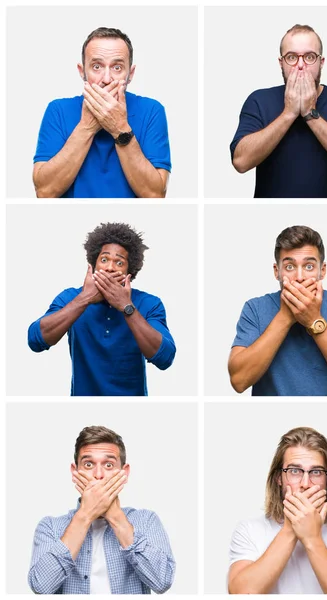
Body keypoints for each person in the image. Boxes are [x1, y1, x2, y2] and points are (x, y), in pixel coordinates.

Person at [28, 222, 176, 395]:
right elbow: (35, 340)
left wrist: (126, 307)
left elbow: (165, 358)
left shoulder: (149, 303)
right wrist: (85, 298)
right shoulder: (70, 298)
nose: (110, 267)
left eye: (119, 262)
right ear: (93, 265)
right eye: (104, 260)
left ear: (130, 272)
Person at [28, 426, 175, 594]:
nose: (98, 475)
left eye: (109, 464)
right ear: (75, 472)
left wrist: (115, 516)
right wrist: (84, 515)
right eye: (89, 464)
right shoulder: (50, 527)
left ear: (124, 473)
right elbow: (40, 587)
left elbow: (162, 581)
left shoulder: (146, 520)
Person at [229, 225, 327, 396]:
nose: (299, 277)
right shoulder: (255, 308)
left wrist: (314, 321)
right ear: (277, 271)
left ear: (322, 270)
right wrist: (285, 316)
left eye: (309, 266)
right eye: (289, 267)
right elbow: (239, 381)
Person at [230, 24, 327, 198]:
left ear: (321, 62)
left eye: (310, 57)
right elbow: (240, 162)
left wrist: (310, 113)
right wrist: (289, 113)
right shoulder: (258, 100)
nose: (301, 65)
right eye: (291, 57)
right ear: (281, 63)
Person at [228, 427, 327, 594]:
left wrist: (312, 538)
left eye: (316, 472)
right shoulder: (249, 530)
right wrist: (291, 528)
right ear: (279, 478)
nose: (305, 483)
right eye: (295, 471)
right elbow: (241, 593)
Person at [33, 27, 171, 198]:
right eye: (97, 66)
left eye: (117, 68)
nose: (106, 79)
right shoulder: (58, 110)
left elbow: (155, 194)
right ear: (82, 71)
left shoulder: (151, 110)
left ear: (130, 74)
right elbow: (44, 192)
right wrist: (86, 127)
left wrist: (119, 128)